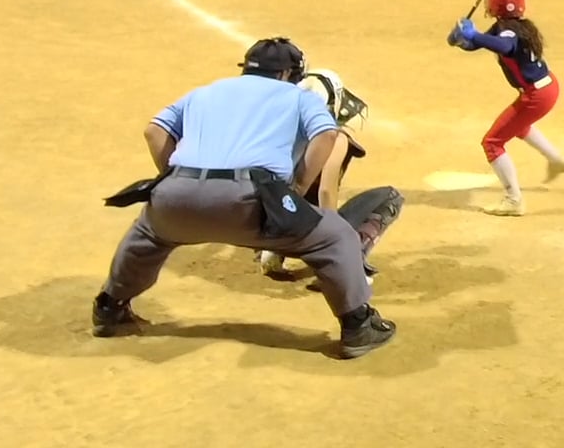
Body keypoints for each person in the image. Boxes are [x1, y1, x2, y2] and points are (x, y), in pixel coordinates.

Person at [91, 38, 396, 359]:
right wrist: (297, 186)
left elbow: (154, 131)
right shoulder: (298, 97)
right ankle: (358, 325)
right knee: (335, 236)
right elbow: (326, 134)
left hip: (175, 198)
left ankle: (109, 308)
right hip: (249, 202)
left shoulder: (204, 92)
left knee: (147, 234)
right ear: (287, 74)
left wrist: (178, 179)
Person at [258, 69, 402, 284]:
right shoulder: (334, 138)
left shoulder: (273, 129)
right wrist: (331, 242)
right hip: (302, 235)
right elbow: (326, 191)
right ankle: (340, 265)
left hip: (261, 228)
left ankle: (273, 252)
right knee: (391, 197)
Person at [447, 0, 564, 216]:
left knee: (492, 142)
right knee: (518, 126)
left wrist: (473, 34)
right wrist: (462, 40)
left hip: (536, 96)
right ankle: (555, 160)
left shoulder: (509, 33)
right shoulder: (511, 26)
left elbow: (504, 45)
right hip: (546, 87)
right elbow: (480, 44)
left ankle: (513, 200)